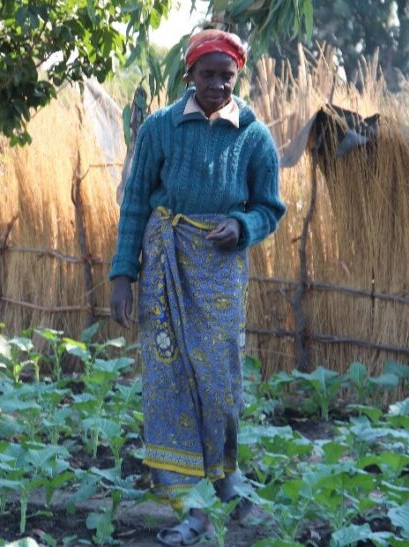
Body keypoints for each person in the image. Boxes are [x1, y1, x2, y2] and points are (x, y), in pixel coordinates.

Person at [109, 29, 286, 546]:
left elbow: (269, 207)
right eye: (206, 75)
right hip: (164, 263)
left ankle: (227, 478)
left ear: (238, 77)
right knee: (167, 378)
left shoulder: (253, 136)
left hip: (219, 269)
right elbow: (137, 200)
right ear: (189, 75)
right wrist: (124, 274)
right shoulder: (162, 128)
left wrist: (243, 226)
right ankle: (188, 503)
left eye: (225, 77)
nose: (216, 85)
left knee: (220, 374)